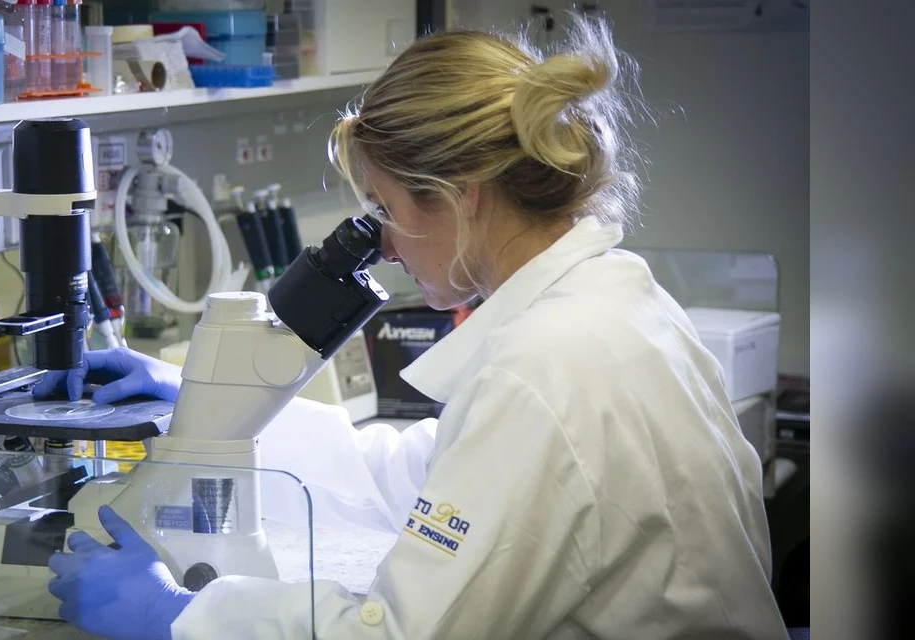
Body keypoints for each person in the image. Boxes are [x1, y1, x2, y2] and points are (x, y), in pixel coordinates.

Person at [42, 16, 787, 640]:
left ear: (463, 194)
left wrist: (180, 617)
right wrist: (205, 405)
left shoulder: (544, 368)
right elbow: (415, 474)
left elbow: (399, 633)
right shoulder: (615, 302)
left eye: (386, 209)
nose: (387, 247)